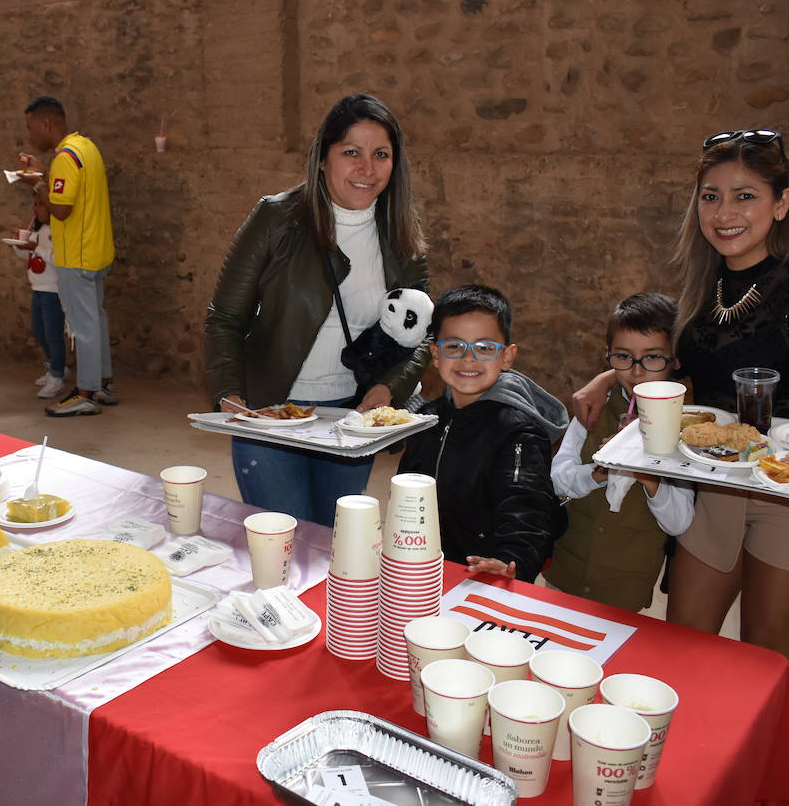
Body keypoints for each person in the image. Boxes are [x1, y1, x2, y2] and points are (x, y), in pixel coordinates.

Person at [572, 129, 789, 653]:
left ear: (782, 202)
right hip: (714, 486)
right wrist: (609, 376)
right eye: (710, 196)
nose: (725, 213)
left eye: (745, 196)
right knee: (684, 644)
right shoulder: (705, 287)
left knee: (760, 656)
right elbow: (663, 357)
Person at [205, 93, 429, 526]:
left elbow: (421, 333)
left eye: (381, 154)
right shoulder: (276, 218)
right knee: (282, 540)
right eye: (351, 152)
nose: (367, 168)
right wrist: (228, 394)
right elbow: (224, 318)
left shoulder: (401, 232)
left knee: (333, 542)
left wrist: (388, 389)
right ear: (323, 158)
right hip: (271, 414)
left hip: (351, 417)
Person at [397, 285, 567, 581]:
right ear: (435, 354)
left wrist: (511, 561)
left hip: (484, 575)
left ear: (507, 357)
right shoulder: (424, 420)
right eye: (454, 346)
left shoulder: (519, 433)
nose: (468, 359)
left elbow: (527, 509)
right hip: (423, 569)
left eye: (485, 348)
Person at [549, 293, 695, 611]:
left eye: (653, 358)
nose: (637, 372)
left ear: (675, 360)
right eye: (624, 357)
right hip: (563, 574)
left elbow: (679, 522)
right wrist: (599, 471)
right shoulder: (593, 409)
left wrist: (648, 476)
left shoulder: (685, 428)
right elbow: (558, 481)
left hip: (625, 588)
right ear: (608, 355)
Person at [17, 96, 115, 416]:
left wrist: (35, 184)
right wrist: (44, 175)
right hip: (98, 249)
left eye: (32, 128)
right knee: (96, 321)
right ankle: (100, 383)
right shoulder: (85, 148)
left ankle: (84, 393)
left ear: (47, 124)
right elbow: (72, 190)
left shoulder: (65, 157)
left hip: (77, 254)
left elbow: (59, 209)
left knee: (82, 327)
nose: (31, 135)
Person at [12, 186, 69, 398]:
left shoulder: (57, 232)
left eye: (41, 204)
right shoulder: (39, 230)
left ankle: (57, 377)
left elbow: (58, 259)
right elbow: (27, 256)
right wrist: (20, 244)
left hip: (53, 291)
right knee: (39, 331)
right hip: (37, 289)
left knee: (53, 334)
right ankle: (55, 366)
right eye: (35, 204)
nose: (36, 209)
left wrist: (34, 248)